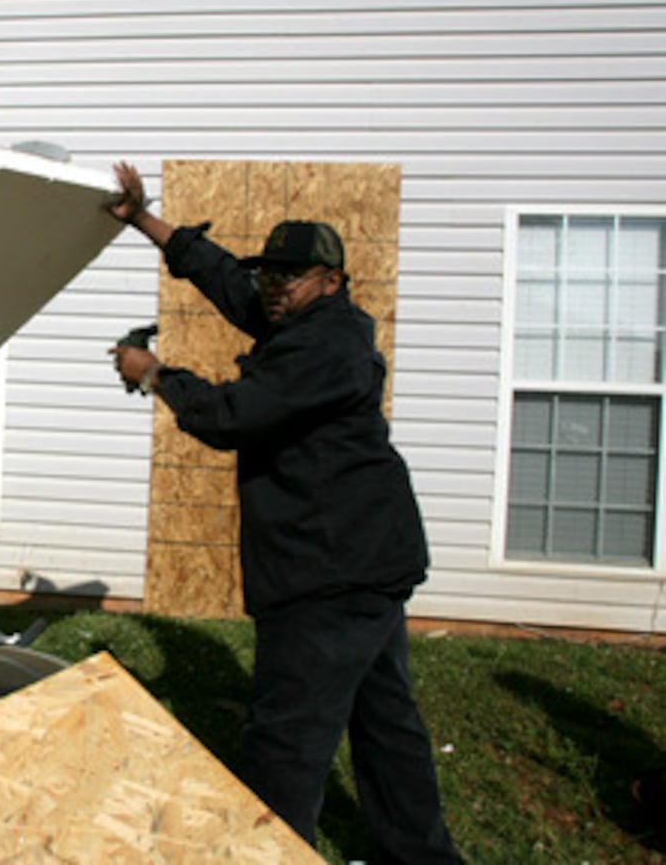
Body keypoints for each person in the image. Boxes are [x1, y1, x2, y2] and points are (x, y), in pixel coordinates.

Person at [106, 161, 460, 863]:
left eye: (286, 278)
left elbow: (233, 414)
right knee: (385, 724)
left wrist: (153, 374)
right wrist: (145, 219)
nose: (269, 289)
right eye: (269, 275)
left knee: (286, 739)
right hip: (369, 563)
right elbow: (227, 278)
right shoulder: (299, 319)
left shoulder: (325, 348)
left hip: (326, 571)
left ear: (330, 281)